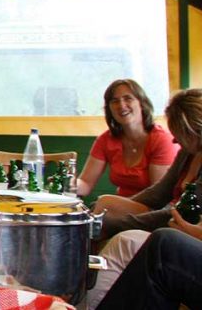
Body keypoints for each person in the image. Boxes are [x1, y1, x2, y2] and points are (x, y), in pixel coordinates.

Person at [88, 88, 202, 308]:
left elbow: (178, 215)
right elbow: (159, 192)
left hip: (177, 226)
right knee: (104, 206)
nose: (175, 140)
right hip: (177, 225)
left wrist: (119, 223)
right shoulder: (188, 152)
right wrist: (115, 212)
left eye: (178, 133)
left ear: (192, 129)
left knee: (157, 241)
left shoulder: (158, 139)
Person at [76, 79, 178, 197]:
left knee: (104, 202)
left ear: (142, 103)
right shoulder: (105, 140)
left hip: (152, 209)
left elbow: (159, 195)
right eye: (115, 101)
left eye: (128, 98)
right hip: (119, 207)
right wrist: (64, 183)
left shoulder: (161, 140)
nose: (121, 105)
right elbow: (86, 184)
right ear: (109, 109)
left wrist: (119, 205)